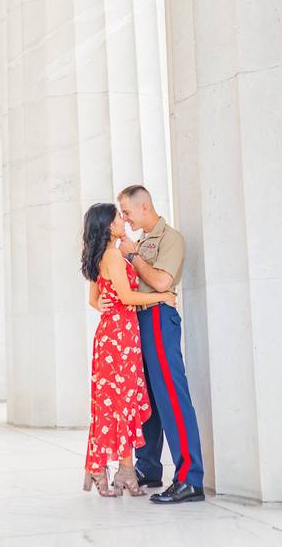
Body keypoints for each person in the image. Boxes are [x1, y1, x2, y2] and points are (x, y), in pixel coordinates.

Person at [98, 185, 206, 504]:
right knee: (145, 401)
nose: (125, 219)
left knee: (172, 397)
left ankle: (190, 479)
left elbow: (161, 282)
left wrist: (132, 256)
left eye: (127, 212)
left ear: (144, 207)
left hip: (158, 318)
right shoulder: (142, 241)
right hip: (137, 321)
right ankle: (148, 468)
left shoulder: (170, 238)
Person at [81, 203, 177, 497]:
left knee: (117, 402)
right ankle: (116, 469)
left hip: (116, 335)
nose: (123, 219)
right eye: (117, 217)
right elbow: (124, 296)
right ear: (109, 226)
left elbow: (94, 300)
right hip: (119, 337)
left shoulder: (107, 254)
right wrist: (164, 296)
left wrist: (103, 306)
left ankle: (119, 469)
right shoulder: (111, 255)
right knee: (120, 402)